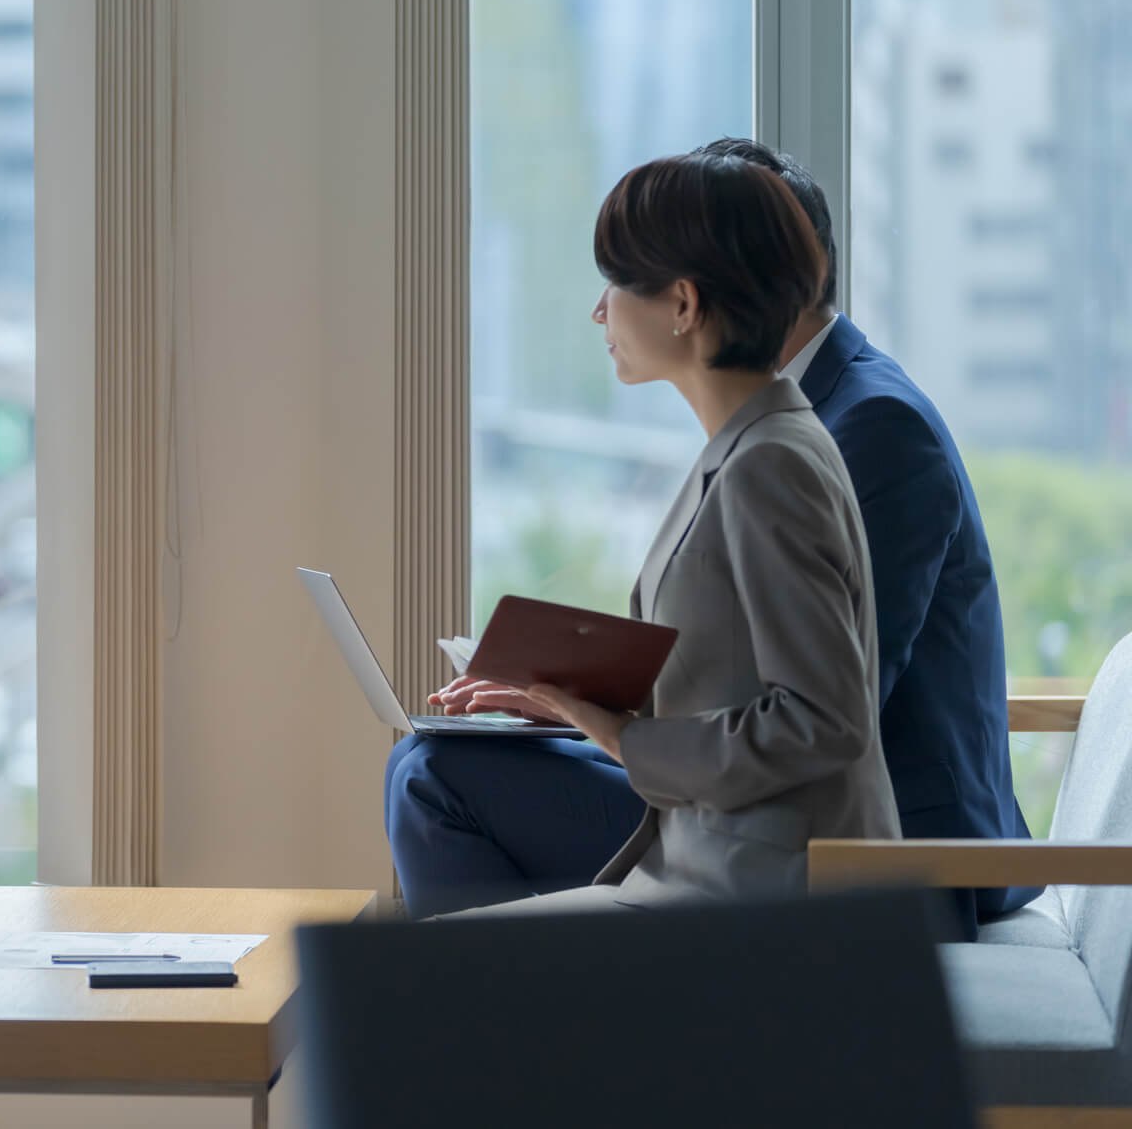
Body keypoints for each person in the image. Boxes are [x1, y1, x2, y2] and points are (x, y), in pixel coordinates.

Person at [387, 141, 1033, 931]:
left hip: (799, 868)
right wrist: (579, 703)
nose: (600, 310)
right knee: (434, 792)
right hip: (744, 834)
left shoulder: (821, 441)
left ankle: (542, 1035)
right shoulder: (762, 430)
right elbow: (755, 666)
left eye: (619, 284)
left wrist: (625, 734)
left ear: (686, 304)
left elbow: (828, 713)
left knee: (432, 804)